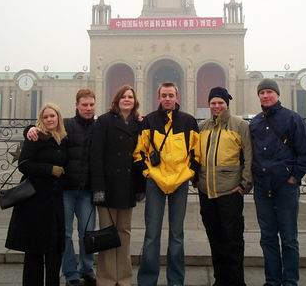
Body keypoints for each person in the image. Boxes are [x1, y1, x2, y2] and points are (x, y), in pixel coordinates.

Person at [26, 88, 97, 286]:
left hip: (87, 190)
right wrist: (30, 129)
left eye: (91, 105)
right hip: (65, 190)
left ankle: (87, 270)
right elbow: (44, 130)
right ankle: (71, 275)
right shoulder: (65, 125)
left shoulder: (99, 126)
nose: (88, 108)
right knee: (64, 234)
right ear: (76, 105)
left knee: (87, 233)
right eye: (84, 105)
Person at [250, 78, 306, 286]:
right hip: (262, 188)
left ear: (277, 94)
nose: (266, 95)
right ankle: (272, 280)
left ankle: (289, 281)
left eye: (269, 91)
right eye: (262, 92)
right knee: (267, 237)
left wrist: (293, 177)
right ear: (258, 96)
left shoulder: (292, 119)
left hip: (285, 188)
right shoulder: (255, 122)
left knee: (288, 238)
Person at [133, 82, 200, 286]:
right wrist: (147, 173)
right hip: (155, 182)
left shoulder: (188, 121)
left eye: (171, 95)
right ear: (159, 97)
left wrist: (188, 173)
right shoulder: (149, 121)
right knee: (151, 234)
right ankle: (147, 281)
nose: (168, 99)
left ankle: (176, 281)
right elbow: (139, 152)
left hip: (179, 182)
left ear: (177, 97)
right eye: (164, 95)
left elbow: (196, 154)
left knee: (177, 234)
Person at [6, 103, 67, 286]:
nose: (49, 119)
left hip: (54, 202)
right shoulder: (35, 137)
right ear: (41, 119)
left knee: (54, 249)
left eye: (52, 116)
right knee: (34, 250)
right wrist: (49, 169)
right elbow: (23, 164)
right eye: (45, 117)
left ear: (58, 118)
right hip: (34, 202)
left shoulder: (63, 139)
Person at [90, 85, 146, 286]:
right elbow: (96, 156)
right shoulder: (104, 121)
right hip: (107, 185)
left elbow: (142, 155)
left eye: (130, 96)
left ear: (135, 101)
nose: (127, 99)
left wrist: (141, 187)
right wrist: (97, 188)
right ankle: (105, 278)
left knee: (124, 233)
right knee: (107, 233)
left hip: (128, 186)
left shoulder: (139, 123)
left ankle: (123, 278)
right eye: (123, 96)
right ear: (117, 100)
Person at [198, 87, 253, 286]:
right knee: (215, 239)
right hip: (207, 192)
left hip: (230, 191)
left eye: (220, 102)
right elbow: (197, 155)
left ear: (226, 103)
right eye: (213, 103)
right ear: (209, 105)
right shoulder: (203, 126)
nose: (217, 106)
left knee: (232, 239)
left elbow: (248, 156)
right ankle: (220, 279)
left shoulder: (240, 125)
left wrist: (245, 185)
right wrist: (197, 180)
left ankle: (236, 281)